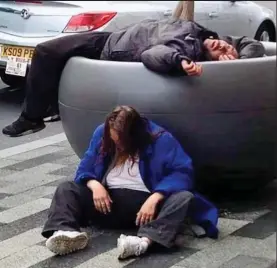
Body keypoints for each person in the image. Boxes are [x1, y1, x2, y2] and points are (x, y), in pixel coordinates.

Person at [2, 18, 265, 137]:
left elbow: (154, 54)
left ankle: (31, 118)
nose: (223, 47)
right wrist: (240, 56)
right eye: (227, 46)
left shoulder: (188, 51)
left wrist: (179, 61)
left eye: (224, 53)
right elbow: (252, 44)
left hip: (108, 50)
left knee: (48, 54)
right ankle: (41, 111)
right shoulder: (215, 38)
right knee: (47, 51)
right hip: (110, 37)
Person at [42, 105, 219, 259]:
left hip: (144, 210)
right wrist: (94, 185)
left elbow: (183, 172)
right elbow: (85, 167)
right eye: (113, 141)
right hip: (106, 203)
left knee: (183, 197)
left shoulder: (160, 139)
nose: (117, 146)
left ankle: (144, 241)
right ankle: (65, 233)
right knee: (66, 188)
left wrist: (156, 196)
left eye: (121, 142)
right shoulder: (102, 134)